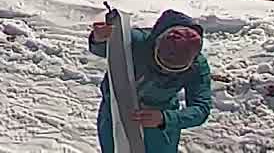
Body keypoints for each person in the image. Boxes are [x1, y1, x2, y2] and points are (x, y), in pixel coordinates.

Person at [87, 9, 215, 152]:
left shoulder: (198, 66)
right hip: (115, 112)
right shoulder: (136, 40)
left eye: (172, 71)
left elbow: (201, 108)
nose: (164, 72)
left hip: (158, 127)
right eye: (160, 65)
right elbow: (104, 49)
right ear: (157, 44)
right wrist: (99, 38)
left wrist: (165, 118)